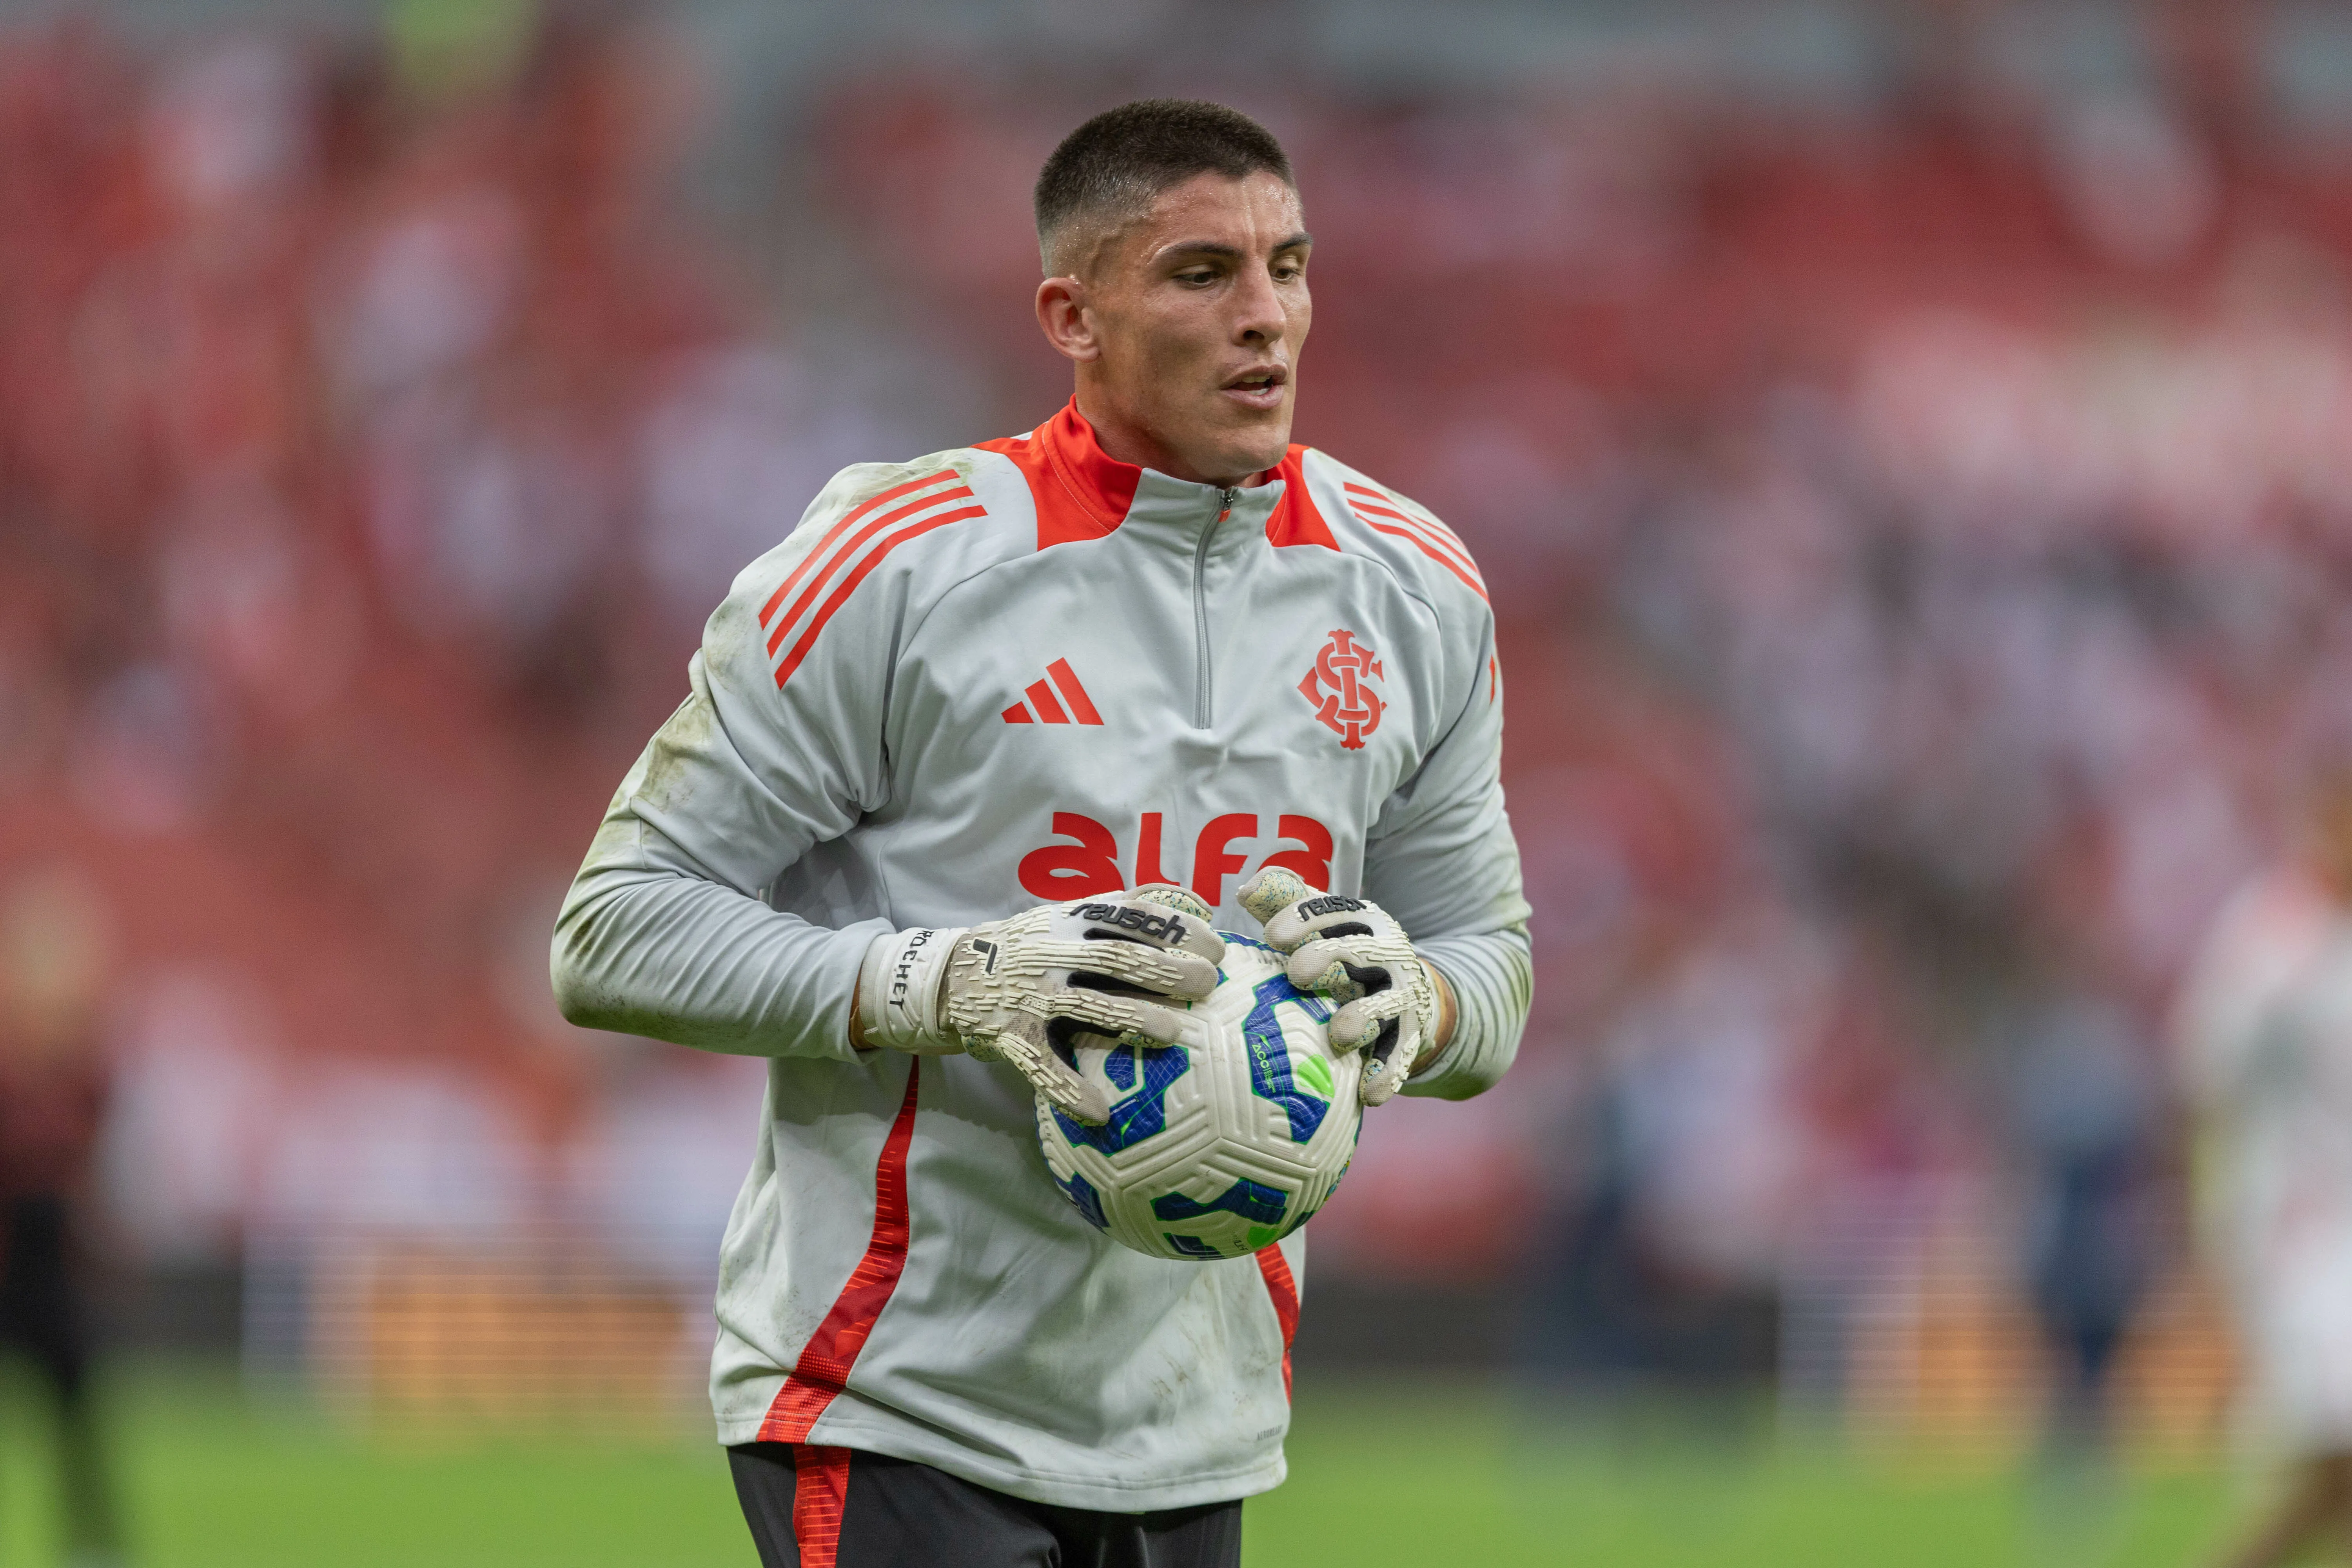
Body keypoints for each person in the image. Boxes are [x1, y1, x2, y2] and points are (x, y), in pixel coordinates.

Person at [553, 99, 1530, 1568]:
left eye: (1291, 263)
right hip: (892, 1390)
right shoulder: (898, 564)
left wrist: (1425, 1000)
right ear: (1072, 314)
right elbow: (615, 924)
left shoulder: (1417, 589)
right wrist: (947, 986)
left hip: (1196, 1419)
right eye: (1203, 273)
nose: (1268, 316)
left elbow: (1490, 962)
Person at [2179, 768, 2352, 1568]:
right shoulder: (2266, 944)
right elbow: (2205, 1087)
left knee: (2333, 1478)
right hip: (2301, 1234)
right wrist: (2211, 1228)